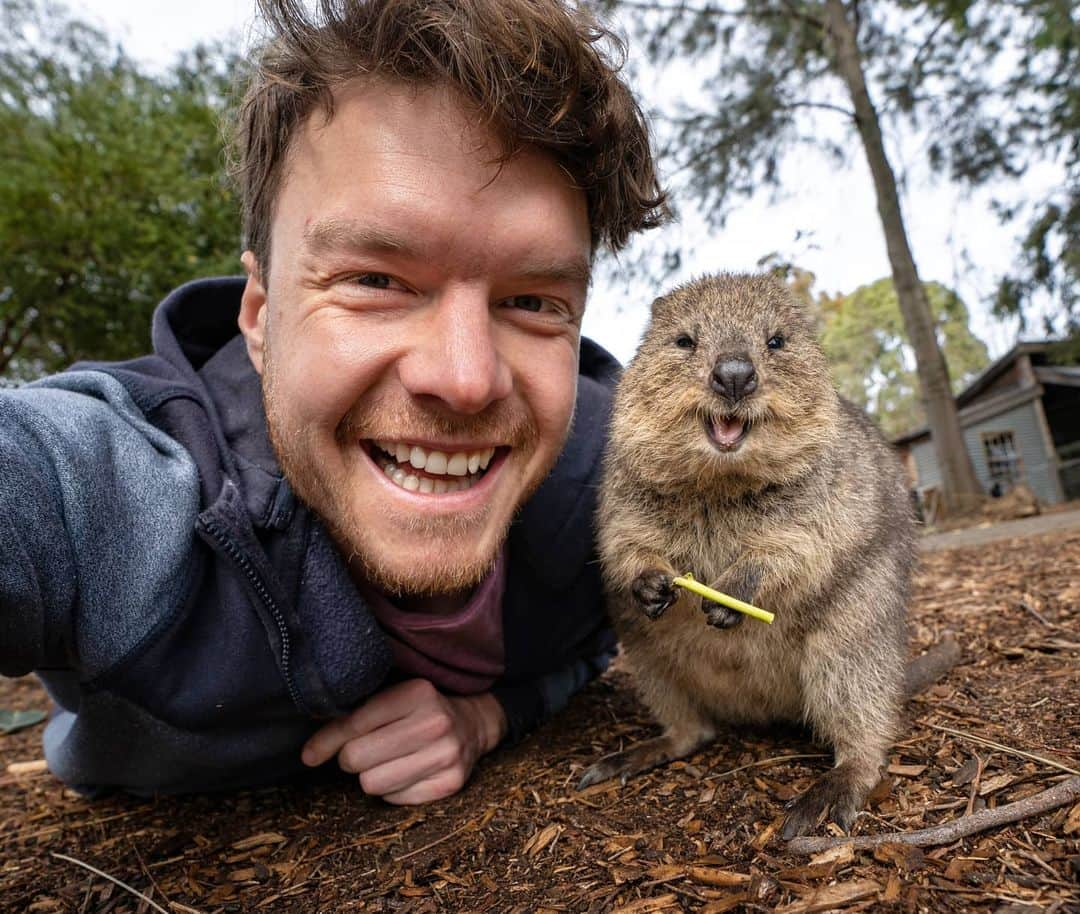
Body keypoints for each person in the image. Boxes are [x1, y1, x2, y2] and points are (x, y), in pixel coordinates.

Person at [0, 0, 665, 801]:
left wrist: (488, 715)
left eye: (532, 301)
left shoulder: (610, 490)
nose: (465, 378)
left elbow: (596, 639)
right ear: (259, 315)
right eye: (375, 281)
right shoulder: (132, 488)